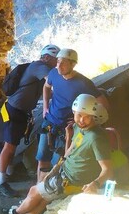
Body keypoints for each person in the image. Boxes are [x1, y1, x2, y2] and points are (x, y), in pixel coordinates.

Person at [0, 94, 112, 214]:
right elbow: (70, 151)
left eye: (87, 116)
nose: (82, 120)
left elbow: (107, 169)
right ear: (74, 112)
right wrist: (69, 137)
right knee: (44, 199)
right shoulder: (78, 128)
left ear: (93, 115)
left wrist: (96, 183)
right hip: (65, 170)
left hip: (71, 180)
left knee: (35, 191)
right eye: (79, 115)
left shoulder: (96, 137)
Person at [0, 44, 60, 196]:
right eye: (55, 59)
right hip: (14, 110)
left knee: (14, 143)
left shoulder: (39, 69)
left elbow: (46, 91)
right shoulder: (39, 66)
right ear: (46, 57)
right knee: (10, 146)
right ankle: (1, 182)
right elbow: (53, 80)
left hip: (21, 110)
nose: (57, 63)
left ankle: (9, 172)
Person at [37, 48, 109, 181]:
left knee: (60, 162)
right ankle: (39, 189)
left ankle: (50, 195)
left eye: (63, 62)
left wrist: (83, 122)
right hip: (49, 121)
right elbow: (46, 87)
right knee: (42, 159)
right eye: (58, 61)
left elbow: (102, 104)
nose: (59, 65)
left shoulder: (83, 83)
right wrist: (45, 106)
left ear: (73, 64)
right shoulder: (53, 73)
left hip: (67, 129)